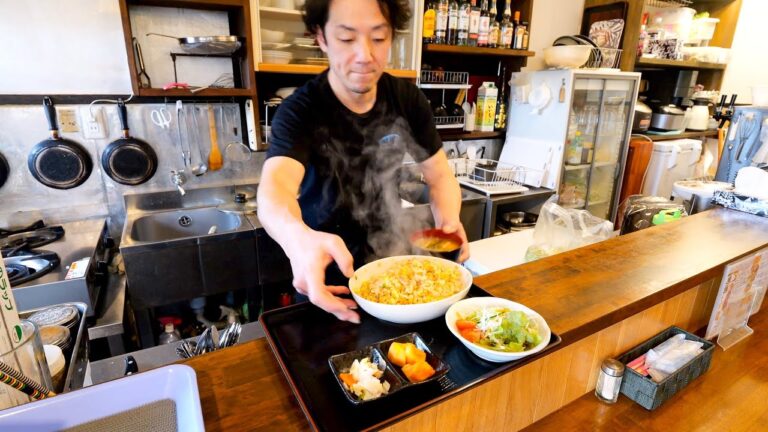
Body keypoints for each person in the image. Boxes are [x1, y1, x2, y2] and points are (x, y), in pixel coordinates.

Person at [257, 0, 468, 324]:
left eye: (379, 38)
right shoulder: (300, 111)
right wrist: (296, 238)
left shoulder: (408, 101)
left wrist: (449, 220)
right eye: (346, 38)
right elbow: (276, 191)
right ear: (321, 37)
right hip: (327, 276)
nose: (365, 55)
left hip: (395, 268)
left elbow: (439, 177)